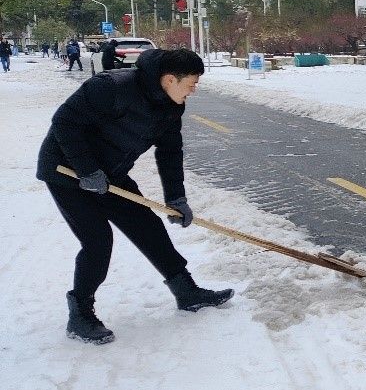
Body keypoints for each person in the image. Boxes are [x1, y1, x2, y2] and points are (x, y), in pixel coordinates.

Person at [36, 48, 233, 345]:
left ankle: (186, 291)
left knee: (147, 226)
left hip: (111, 173)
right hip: (67, 171)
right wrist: (87, 169)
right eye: (192, 83)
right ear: (170, 79)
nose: (194, 90)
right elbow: (64, 122)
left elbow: (170, 152)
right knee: (97, 241)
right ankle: (80, 314)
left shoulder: (172, 106)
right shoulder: (111, 87)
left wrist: (176, 198)